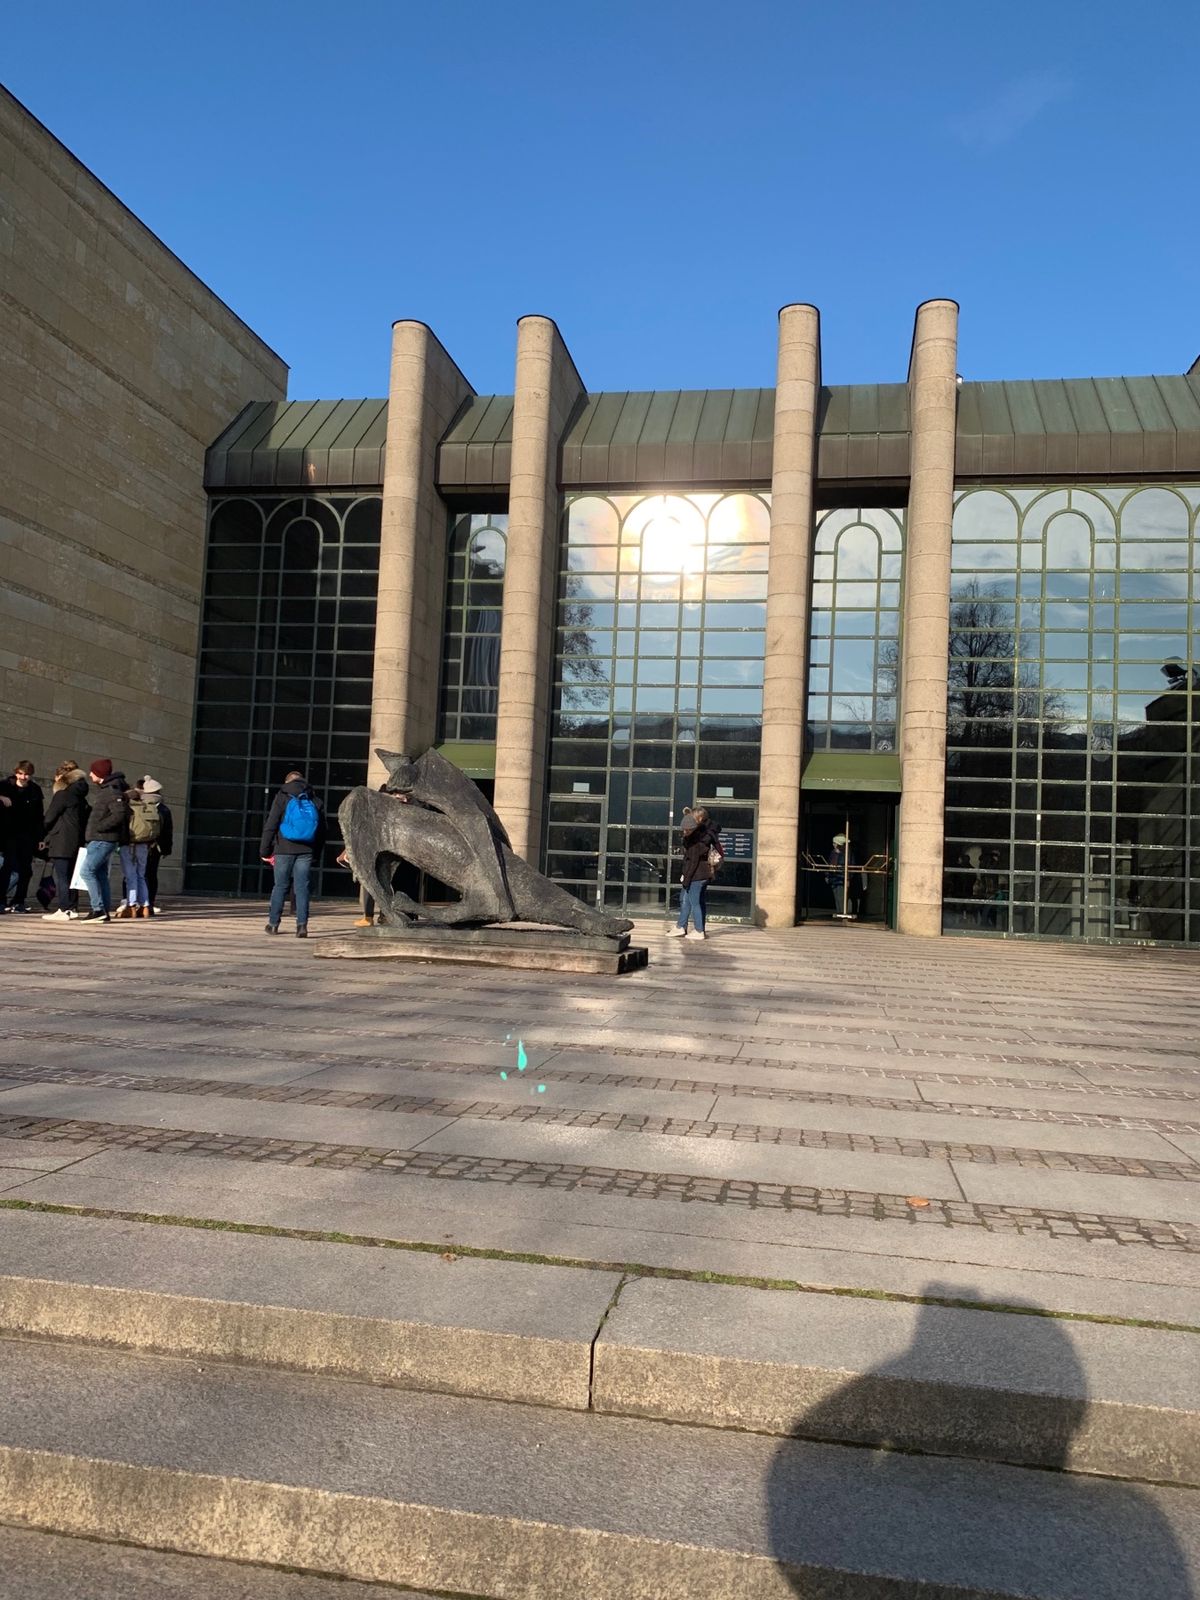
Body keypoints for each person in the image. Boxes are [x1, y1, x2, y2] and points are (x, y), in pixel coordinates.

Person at [260, 769, 326, 937]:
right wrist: (316, 853)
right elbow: (322, 831)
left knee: (280, 886)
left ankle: (273, 924)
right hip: (306, 850)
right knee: (302, 888)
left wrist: (265, 850)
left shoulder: (282, 797)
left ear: (287, 782)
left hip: (283, 849)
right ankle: (302, 926)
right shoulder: (315, 800)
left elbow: (271, 824)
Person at [78, 760, 129, 923]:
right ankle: (104, 911)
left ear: (99, 774)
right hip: (100, 838)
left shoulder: (111, 791)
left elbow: (119, 814)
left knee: (86, 871)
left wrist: (100, 827)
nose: (91, 774)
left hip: (102, 839)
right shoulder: (108, 790)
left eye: (93, 772)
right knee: (99, 875)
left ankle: (98, 909)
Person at [40, 760, 90, 920]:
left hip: (61, 840)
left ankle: (63, 909)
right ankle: (72, 907)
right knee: (72, 876)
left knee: (62, 876)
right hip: (77, 840)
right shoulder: (81, 797)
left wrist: (44, 834)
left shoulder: (63, 795)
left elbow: (49, 818)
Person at [668, 805, 721, 942]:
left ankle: (698, 930)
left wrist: (686, 879)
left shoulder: (697, 840)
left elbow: (693, 862)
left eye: (686, 829)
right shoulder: (706, 834)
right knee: (688, 900)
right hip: (702, 874)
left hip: (697, 875)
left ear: (698, 820)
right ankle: (681, 926)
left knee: (694, 902)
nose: (684, 831)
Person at [0, 760, 45, 913]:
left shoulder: (35, 790)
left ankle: (19, 901)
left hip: (27, 835)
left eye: (26, 774)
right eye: (20, 773)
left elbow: (39, 816)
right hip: (8, 834)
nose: (23, 777)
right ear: (16, 773)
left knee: (25, 870)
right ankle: (1, 901)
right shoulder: (5, 786)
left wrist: (40, 838)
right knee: (7, 868)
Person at [117, 778, 162, 919]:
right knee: (141, 875)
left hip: (128, 844)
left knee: (130, 876)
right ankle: (145, 906)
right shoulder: (147, 807)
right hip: (144, 844)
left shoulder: (127, 808)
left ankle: (131, 906)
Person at [137, 777, 173, 915]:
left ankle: (137, 902)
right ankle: (149, 903)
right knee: (151, 875)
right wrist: (166, 849)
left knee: (138, 874)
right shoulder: (163, 809)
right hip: (155, 847)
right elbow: (168, 831)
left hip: (139, 844)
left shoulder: (140, 805)